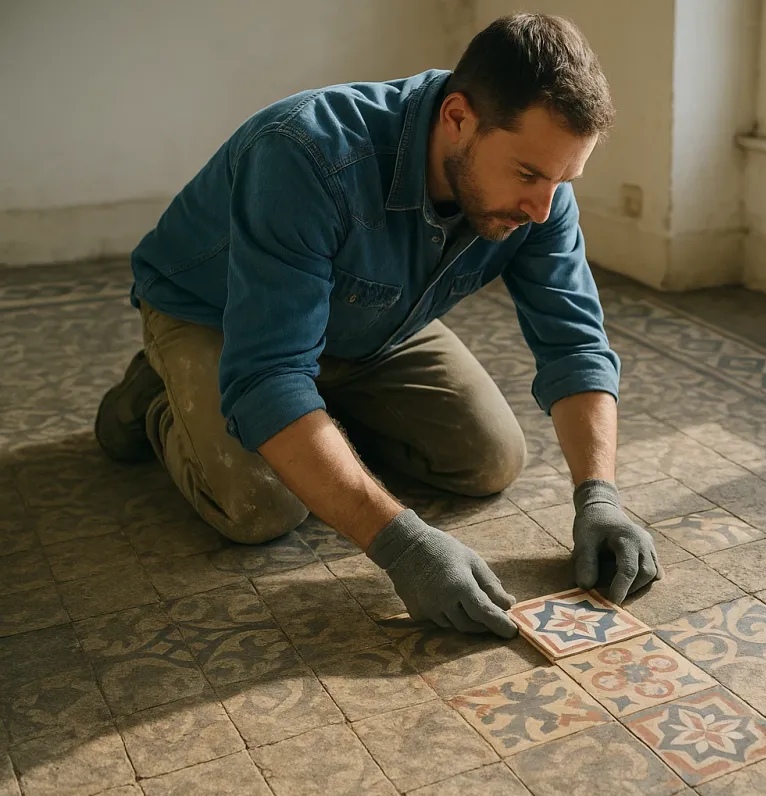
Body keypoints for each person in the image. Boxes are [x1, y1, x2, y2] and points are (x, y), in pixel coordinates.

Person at [93, 13, 661, 638]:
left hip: (373, 320)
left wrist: (599, 496)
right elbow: (268, 380)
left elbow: (575, 344)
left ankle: (317, 421)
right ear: (458, 118)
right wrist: (403, 545)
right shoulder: (303, 154)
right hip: (218, 314)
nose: (542, 207)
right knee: (262, 506)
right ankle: (160, 393)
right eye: (527, 174)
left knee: (488, 461)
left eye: (563, 180)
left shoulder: (541, 192)